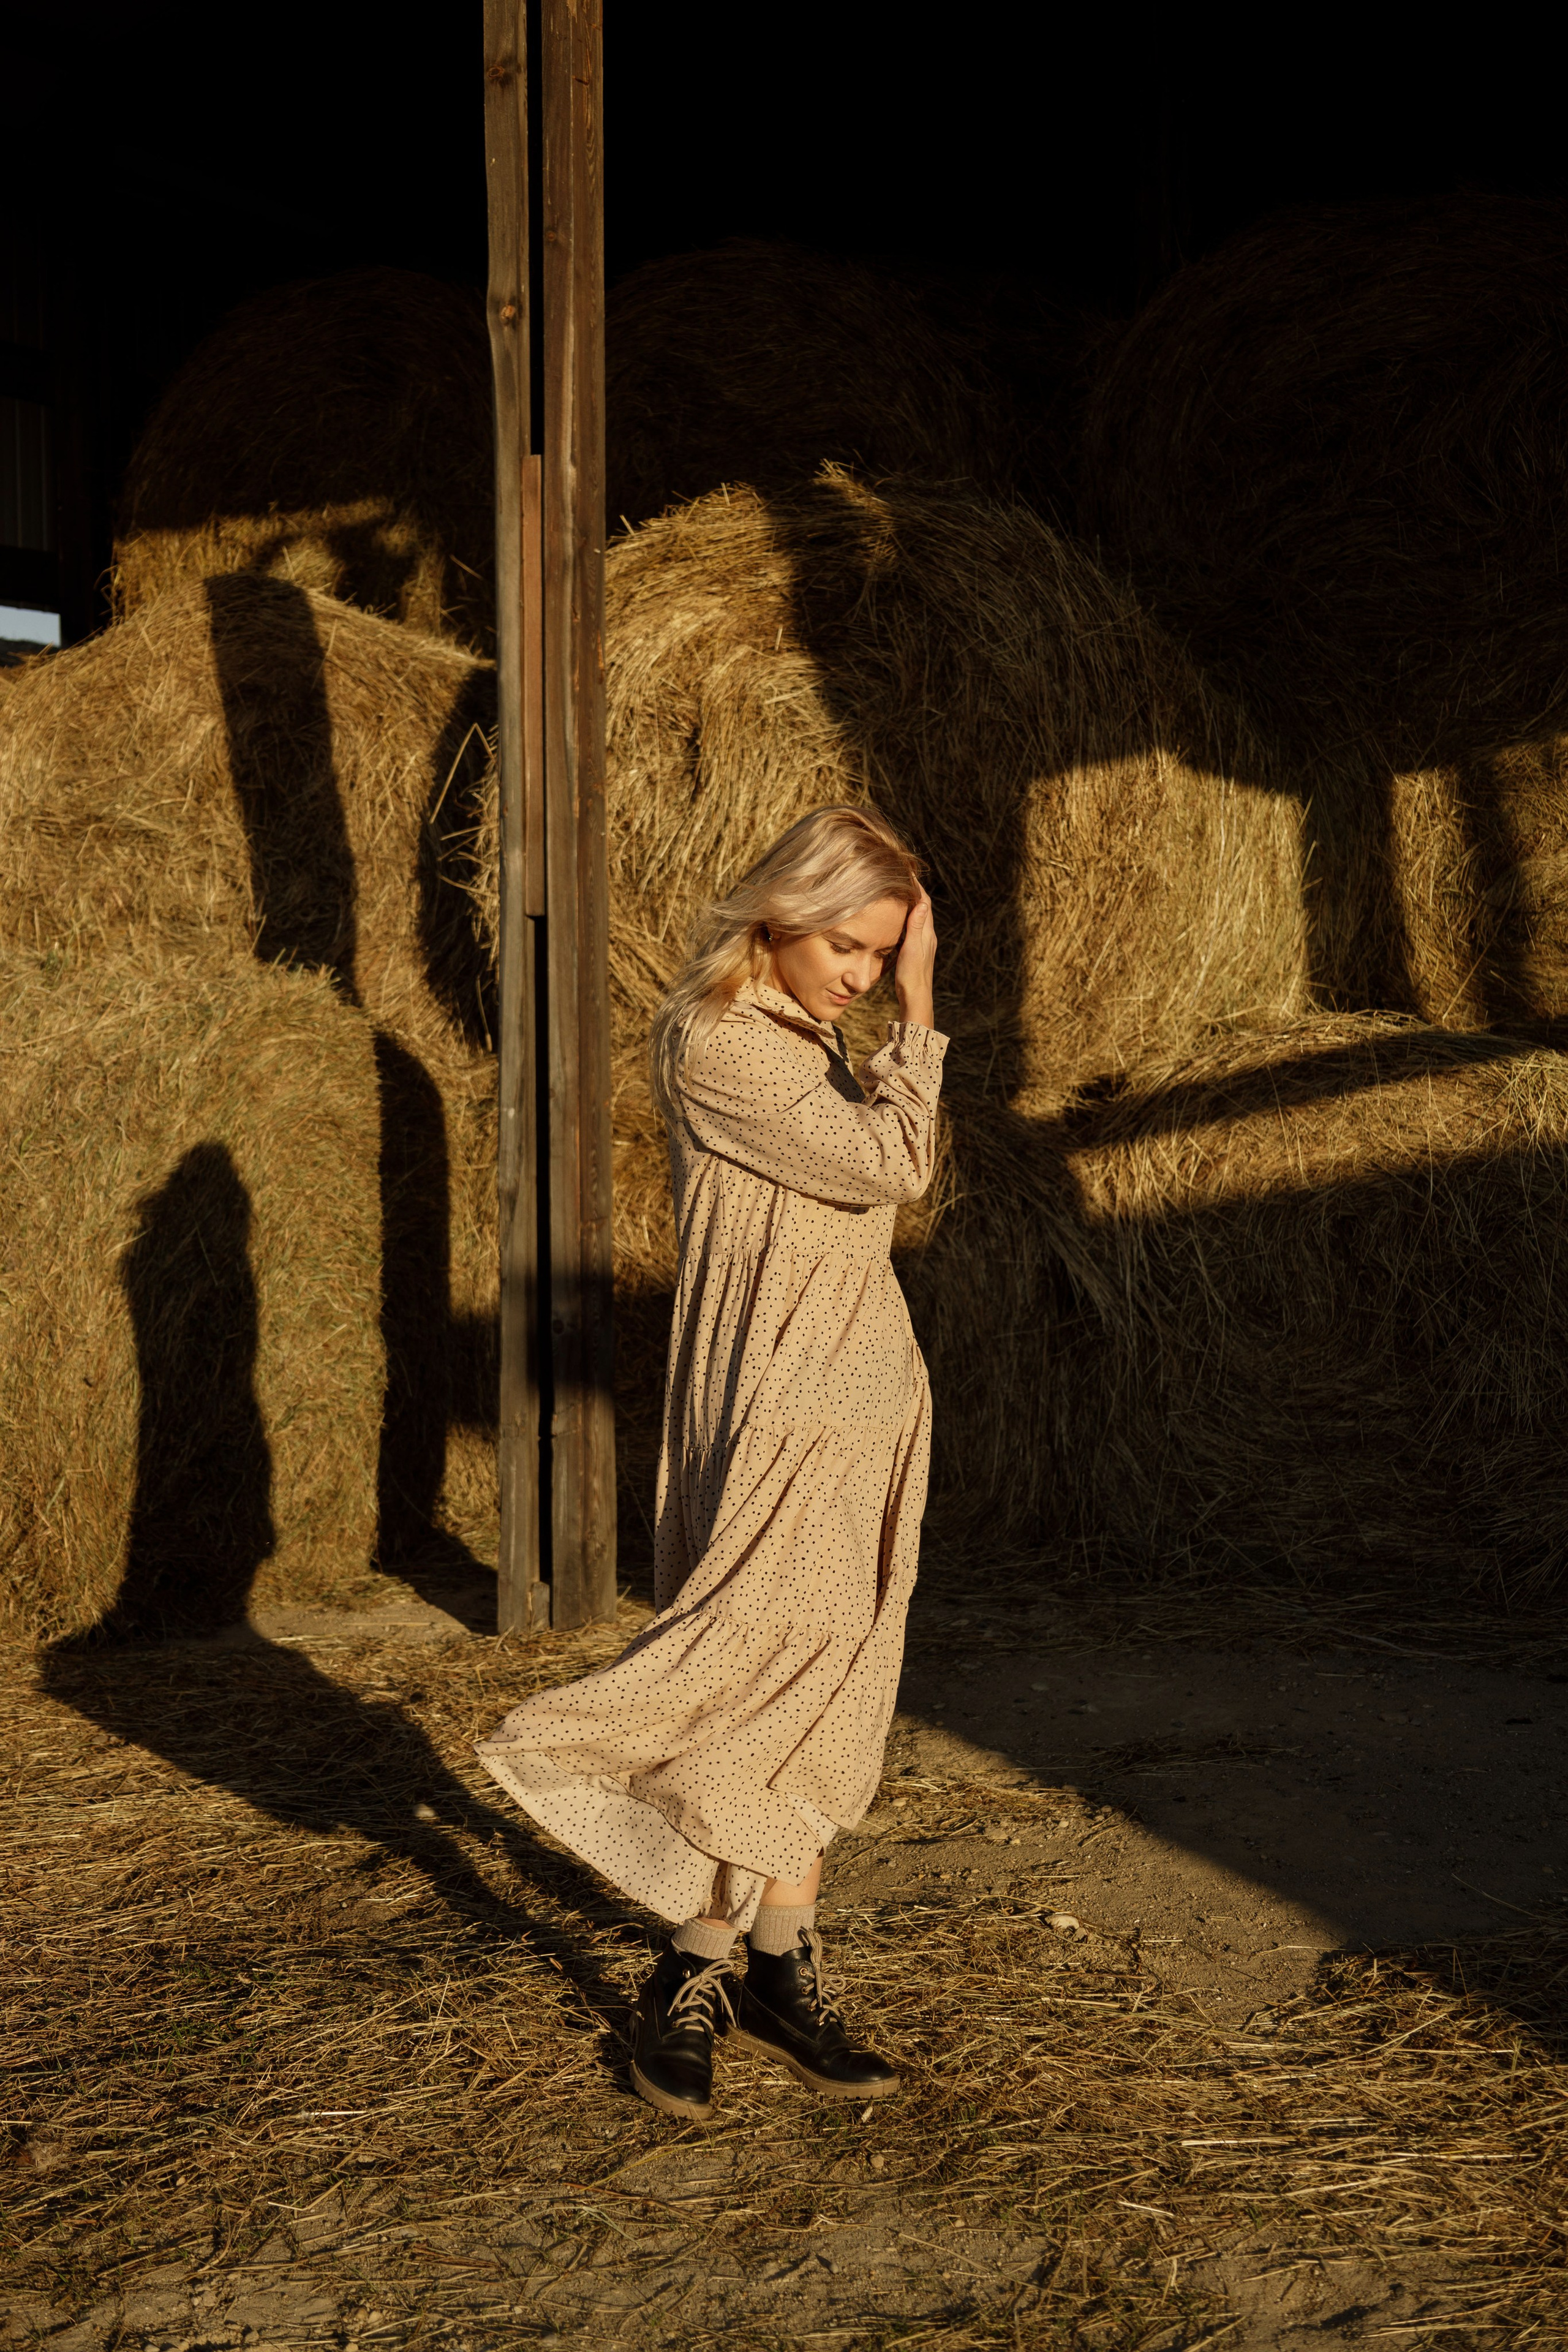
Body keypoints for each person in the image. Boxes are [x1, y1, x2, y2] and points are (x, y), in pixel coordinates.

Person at [476, 802, 944, 2120]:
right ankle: (690, 1962)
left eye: (881, 951)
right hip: (782, 1389)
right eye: (848, 946)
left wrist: (877, 1022)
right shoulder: (721, 1039)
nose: (860, 972)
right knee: (747, 1662)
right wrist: (919, 1008)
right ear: (778, 919)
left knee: (828, 1672)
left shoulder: (807, 1041)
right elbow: (895, 1165)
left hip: (864, 1388)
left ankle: (776, 1966)